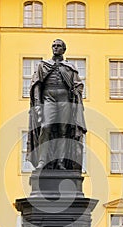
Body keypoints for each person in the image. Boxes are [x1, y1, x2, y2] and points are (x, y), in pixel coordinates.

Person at [27, 39, 87, 171]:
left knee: (63, 131)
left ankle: (60, 162)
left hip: (65, 99)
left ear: (64, 49)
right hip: (49, 98)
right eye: (53, 46)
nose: (55, 48)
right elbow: (36, 85)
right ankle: (42, 161)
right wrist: (37, 103)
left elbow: (78, 85)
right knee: (46, 127)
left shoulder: (69, 67)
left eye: (58, 46)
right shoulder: (43, 65)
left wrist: (76, 93)